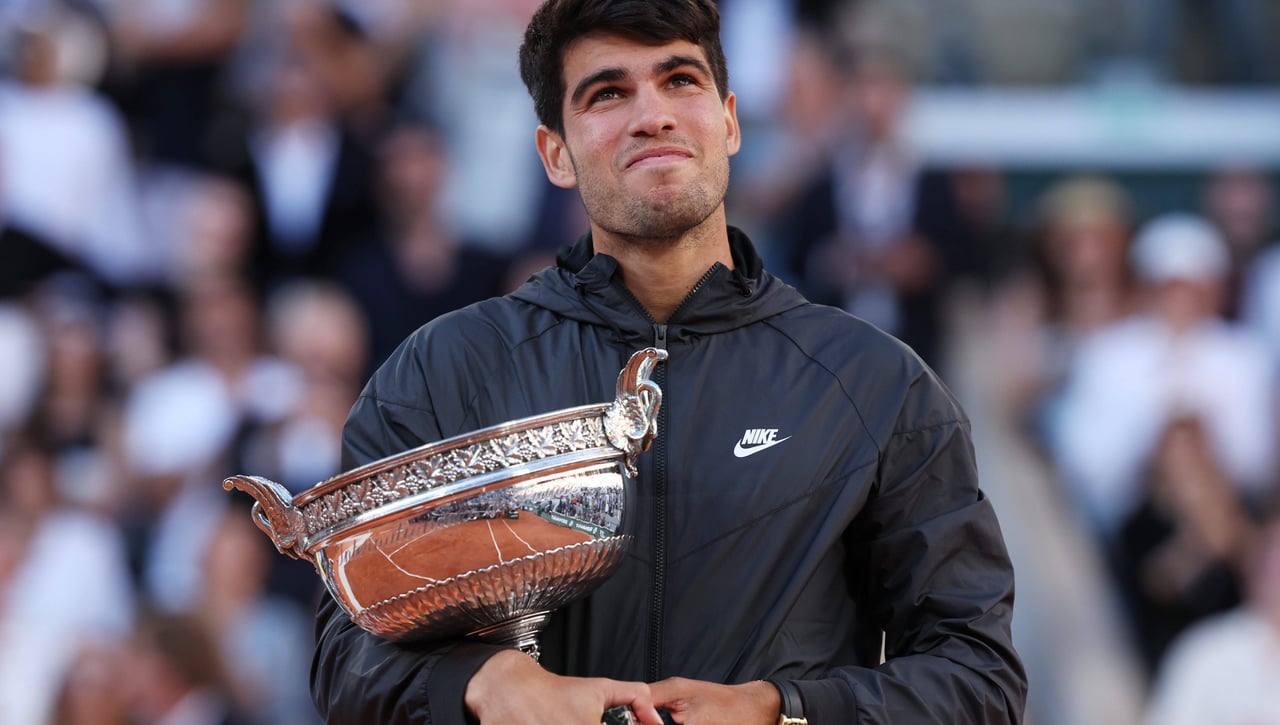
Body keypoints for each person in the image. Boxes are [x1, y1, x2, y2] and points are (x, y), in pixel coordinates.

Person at [310, 1, 1026, 723]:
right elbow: (345, 654)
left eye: (680, 80)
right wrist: (485, 683)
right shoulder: (444, 371)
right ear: (554, 152)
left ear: (731, 121)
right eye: (608, 93)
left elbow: (978, 674)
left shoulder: (874, 383)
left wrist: (784, 710)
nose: (652, 115)